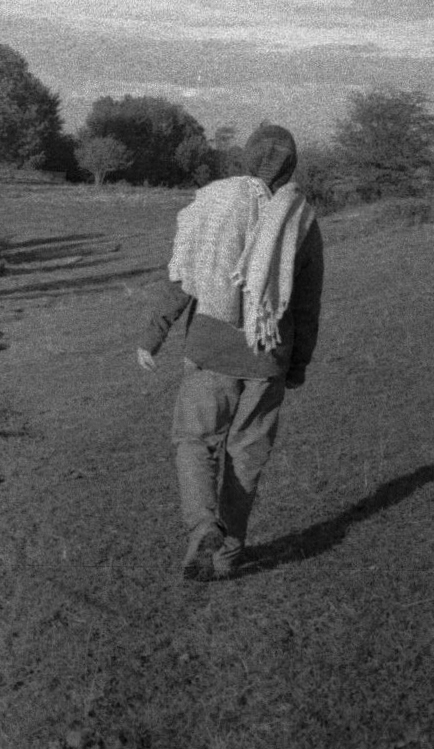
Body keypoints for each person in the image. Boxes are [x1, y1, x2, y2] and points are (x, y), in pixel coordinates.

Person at [136, 124, 324, 581]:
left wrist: (153, 335)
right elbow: (306, 304)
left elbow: (184, 275)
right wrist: (297, 365)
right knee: (247, 455)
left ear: (246, 158)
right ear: (291, 167)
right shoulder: (301, 218)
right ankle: (226, 558)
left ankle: (203, 527)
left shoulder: (215, 204)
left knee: (195, 441)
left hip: (210, 349)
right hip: (268, 357)